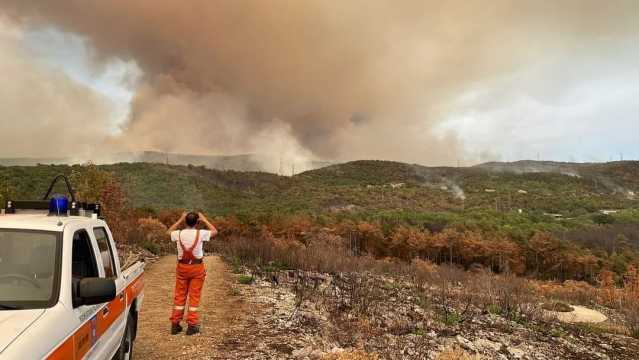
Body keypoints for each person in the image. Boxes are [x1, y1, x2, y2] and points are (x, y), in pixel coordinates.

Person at [166, 211, 218, 335]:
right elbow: (215, 231)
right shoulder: (201, 233)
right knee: (194, 296)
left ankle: (175, 324)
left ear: (185, 221)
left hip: (182, 267)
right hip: (197, 267)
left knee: (180, 295)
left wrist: (180, 219)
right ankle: (192, 325)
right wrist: (205, 220)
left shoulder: (178, 234)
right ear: (197, 222)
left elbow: (168, 232)